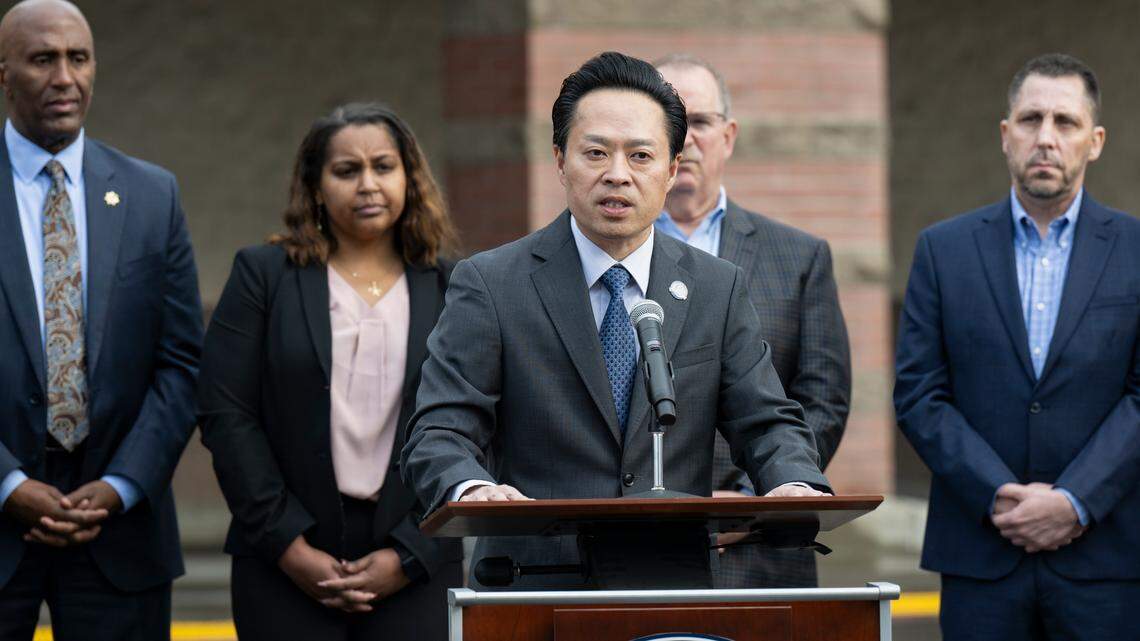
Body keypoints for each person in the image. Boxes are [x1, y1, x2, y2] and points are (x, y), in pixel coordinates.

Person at [401, 51, 829, 590]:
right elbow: (439, 429)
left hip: (670, 582)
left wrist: (792, 480)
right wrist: (469, 486)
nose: (618, 175)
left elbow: (767, 420)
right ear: (560, 160)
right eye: (596, 153)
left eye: (641, 155)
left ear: (672, 169)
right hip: (532, 582)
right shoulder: (491, 282)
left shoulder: (716, 288)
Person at [894, 53, 1140, 640]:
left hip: (1106, 561)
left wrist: (1076, 500)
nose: (1046, 138)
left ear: (1095, 140)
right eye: (1031, 120)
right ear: (1007, 136)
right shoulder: (942, 250)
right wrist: (998, 495)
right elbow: (919, 395)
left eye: (1066, 122)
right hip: (981, 557)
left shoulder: (1136, 249)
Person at [197, 103, 462, 639]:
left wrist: (410, 554)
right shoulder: (264, 277)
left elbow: (478, 428)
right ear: (315, 187)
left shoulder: (453, 285)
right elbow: (226, 414)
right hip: (283, 554)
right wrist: (289, 547)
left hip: (416, 556)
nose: (368, 184)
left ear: (410, 178)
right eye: (347, 170)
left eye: (384, 167)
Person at [0, 1, 204, 639]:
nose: (65, 77)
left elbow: (182, 364)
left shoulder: (151, 195)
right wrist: (7, 483)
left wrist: (122, 483)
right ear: (3, 74)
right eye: (43, 60)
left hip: (119, 530)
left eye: (78, 58)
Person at [654, 54, 851, 589]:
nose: (686, 137)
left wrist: (752, 496)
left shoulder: (799, 256)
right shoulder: (601, 256)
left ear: (729, 135)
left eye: (699, 122)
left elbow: (823, 400)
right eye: (671, 122)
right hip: (635, 541)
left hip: (762, 550)